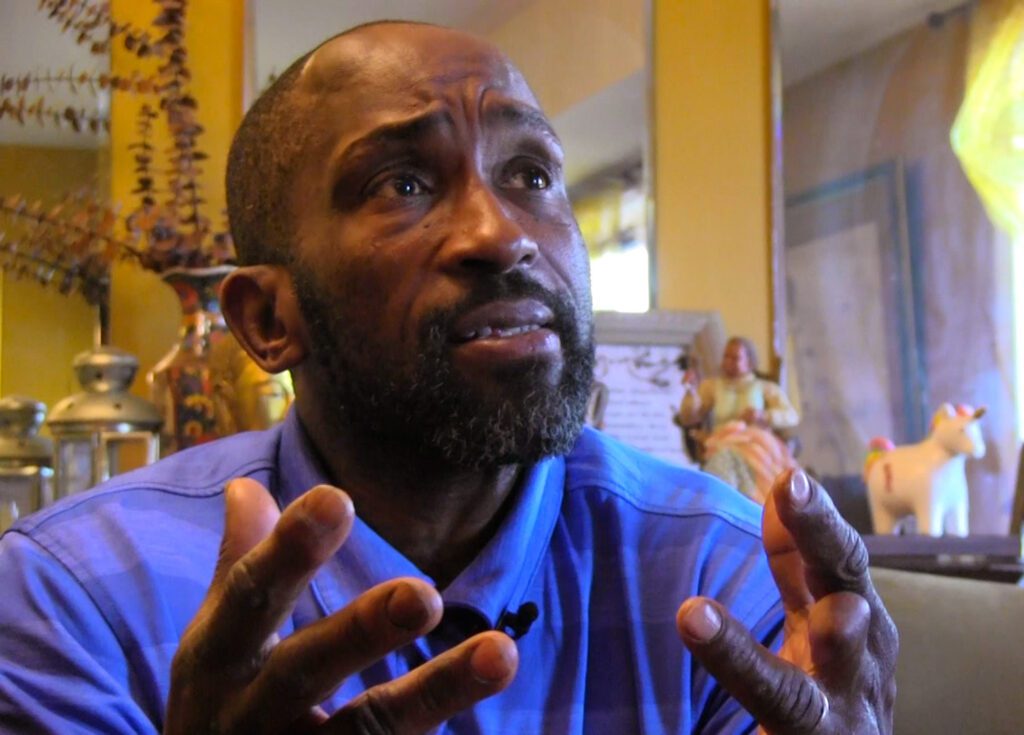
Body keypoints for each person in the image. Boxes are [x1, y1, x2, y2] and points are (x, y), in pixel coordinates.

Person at [0, 21, 896, 734]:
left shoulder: (722, 577)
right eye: (401, 184)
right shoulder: (73, 598)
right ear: (269, 321)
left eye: (532, 173)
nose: (501, 234)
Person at [675, 337, 800, 503]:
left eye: (735, 358)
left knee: (756, 464)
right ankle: (724, 504)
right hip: (723, 441)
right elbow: (689, 417)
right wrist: (691, 391)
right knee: (723, 462)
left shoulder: (763, 387)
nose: (729, 362)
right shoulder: (712, 386)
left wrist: (763, 415)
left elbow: (791, 416)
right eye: (726, 357)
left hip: (756, 442)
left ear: (749, 361)